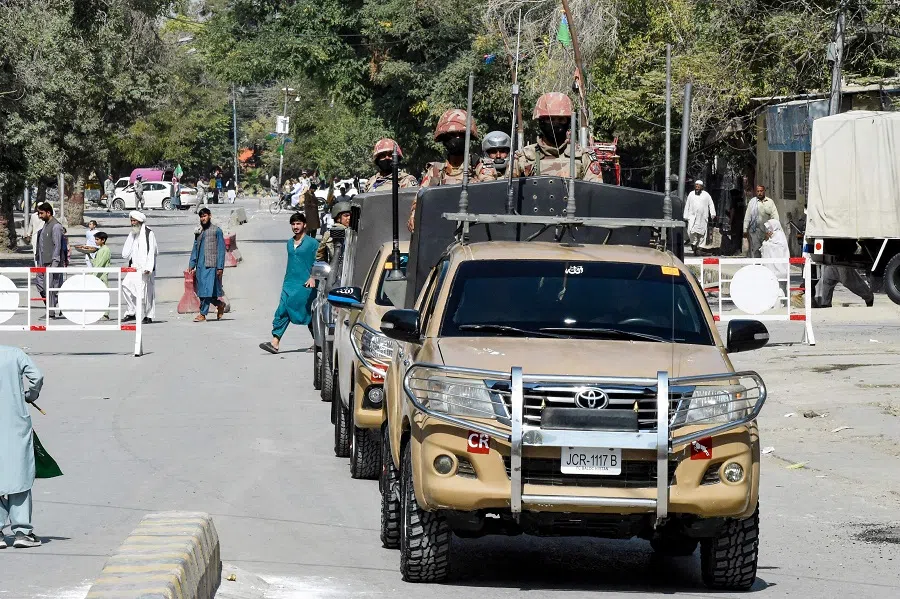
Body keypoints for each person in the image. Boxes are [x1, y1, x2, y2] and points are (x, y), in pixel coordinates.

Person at [0, 345, 45, 549]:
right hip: (15, 422)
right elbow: (37, 376)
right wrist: (30, 395)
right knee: (20, 474)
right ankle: (22, 532)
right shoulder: (14, 354)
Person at [408, 110, 479, 231]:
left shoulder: (480, 168)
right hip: (440, 230)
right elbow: (420, 201)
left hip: (474, 230)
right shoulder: (435, 172)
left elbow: (490, 201)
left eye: (460, 134)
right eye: (450, 135)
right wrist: (415, 215)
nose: (455, 139)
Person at [259, 212, 319, 354]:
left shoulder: (313, 243)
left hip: (306, 285)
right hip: (289, 283)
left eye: (298, 223)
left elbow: (319, 262)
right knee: (283, 310)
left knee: (308, 312)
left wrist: (313, 277)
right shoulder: (289, 243)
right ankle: (275, 342)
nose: (295, 227)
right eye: (293, 224)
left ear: (304, 225)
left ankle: (318, 341)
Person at [511, 93, 603, 182]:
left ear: (568, 122)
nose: (555, 124)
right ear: (540, 122)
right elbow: (507, 192)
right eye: (550, 119)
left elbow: (595, 193)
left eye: (561, 119)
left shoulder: (583, 157)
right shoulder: (523, 157)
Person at [189, 208, 226, 322]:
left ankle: (203, 314)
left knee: (207, 290)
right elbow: (195, 248)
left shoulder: (217, 231)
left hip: (212, 265)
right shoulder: (199, 231)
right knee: (201, 291)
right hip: (200, 266)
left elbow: (221, 249)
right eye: (201, 217)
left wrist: (220, 267)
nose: (203, 218)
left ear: (210, 216)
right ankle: (219, 304)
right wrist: (192, 263)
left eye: (204, 216)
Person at [122, 211, 158, 324]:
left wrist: (149, 267)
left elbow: (152, 251)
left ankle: (148, 316)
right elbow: (126, 252)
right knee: (126, 286)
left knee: (147, 293)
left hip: (145, 269)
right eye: (131, 220)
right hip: (134, 268)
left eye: (134, 220)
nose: (132, 223)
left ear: (140, 221)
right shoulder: (133, 233)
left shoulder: (149, 233)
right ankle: (132, 312)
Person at [34, 203, 65, 317]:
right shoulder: (45, 225)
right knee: (40, 284)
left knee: (52, 287)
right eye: (38, 213)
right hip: (42, 262)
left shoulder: (56, 226)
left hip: (52, 263)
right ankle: (51, 307)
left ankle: (52, 311)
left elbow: (57, 246)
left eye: (41, 213)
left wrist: (55, 263)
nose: (39, 216)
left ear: (48, 212)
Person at [743, 185, 779, 258]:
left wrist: (773, 229)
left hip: (767, 231)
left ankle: (765, 267)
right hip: (755, 230)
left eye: (761, 191)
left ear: (764, 191)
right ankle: (758, 266)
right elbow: (747, 216)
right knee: (757, 249)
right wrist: (745, 229)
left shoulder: (770, 202)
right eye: (758, 191)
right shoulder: (752, 202)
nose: (760, 193)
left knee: (767, 249)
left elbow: (775, 216)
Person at [684, 180, 716, 255]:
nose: (697, 187)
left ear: (702, 187)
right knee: (691, 232)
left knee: (702, 234)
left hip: (702, 218)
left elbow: (711, 204)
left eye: (699, 186)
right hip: (692, 217)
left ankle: (700, 248)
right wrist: (685, 216)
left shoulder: (706, 195)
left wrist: (712, 213)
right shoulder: (691, 194)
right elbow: (687, 205)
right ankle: (694, 244)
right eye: (696, 186)